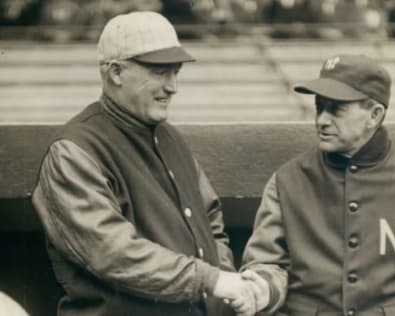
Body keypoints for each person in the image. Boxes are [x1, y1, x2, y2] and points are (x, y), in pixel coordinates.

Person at [32, 11, 266, 316]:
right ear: (115, 72)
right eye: (159, 72)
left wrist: (228, 288)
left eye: (175, 71)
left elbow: (210, 221)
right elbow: (112, 253)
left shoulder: (170, 138)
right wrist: (211, 279)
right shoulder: (74, 151)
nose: (173, 87)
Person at [241, 54, 395, 315]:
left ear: (375, 115)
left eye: (336, 109)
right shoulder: (287, 180)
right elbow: (265, 263)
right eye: (319, 107)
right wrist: (261, 287)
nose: (321, 120)